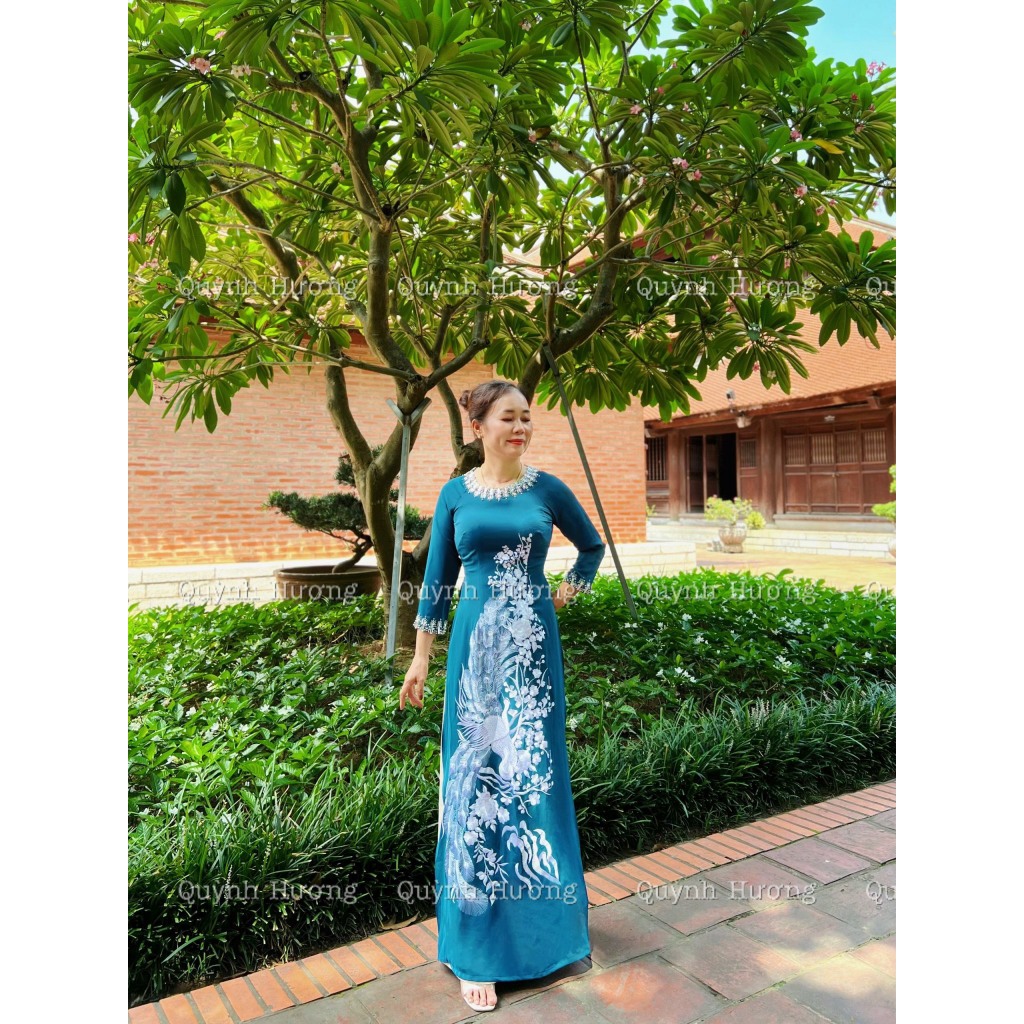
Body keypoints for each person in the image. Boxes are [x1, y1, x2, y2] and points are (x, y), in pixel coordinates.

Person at [399, 380, 606, 1013]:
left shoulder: (548, 489)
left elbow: (592, 546)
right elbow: (438, 582)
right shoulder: (455, 495)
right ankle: (478, 952)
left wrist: (564, 594)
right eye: (507, 418)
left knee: (534, 779)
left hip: (533, 658)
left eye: (526, 418)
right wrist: (420, 658)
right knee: (475, 782)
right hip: (474, 656)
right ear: (478, 427)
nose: (520, 428)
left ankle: (548, 934)